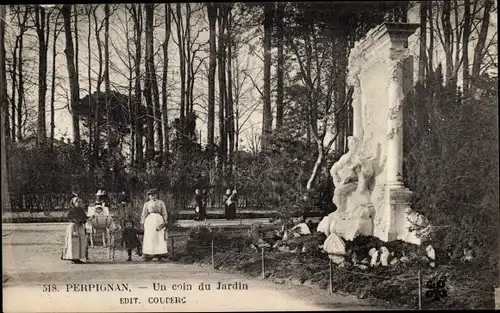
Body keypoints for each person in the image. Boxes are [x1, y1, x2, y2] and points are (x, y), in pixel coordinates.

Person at [140, 189, 169, 261]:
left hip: (159, 220)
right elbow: (144, 214)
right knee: (150, 237)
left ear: (157, 195)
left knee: (159, 236)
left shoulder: (161, 203)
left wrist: (165, 220)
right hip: (150, 221)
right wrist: (143, 222)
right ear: (149, 196)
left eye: (154, 194)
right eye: (151, 195)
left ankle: (160, 253)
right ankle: (149, 253)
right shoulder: (147, 204)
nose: (153, 196)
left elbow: (164, 212)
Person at [61, 197, 90, 264]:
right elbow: (70, 217)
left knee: (80, 243)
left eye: (81, 202)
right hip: (74, 226)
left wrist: (89, 218)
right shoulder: (73, 210)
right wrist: (79, 220)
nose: (80, 203)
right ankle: (72, 257)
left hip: (79, 227)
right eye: (78, 202)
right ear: (74, 203)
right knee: (73, 242)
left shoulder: (81, 210)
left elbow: (84, 218)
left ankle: (77, 257)